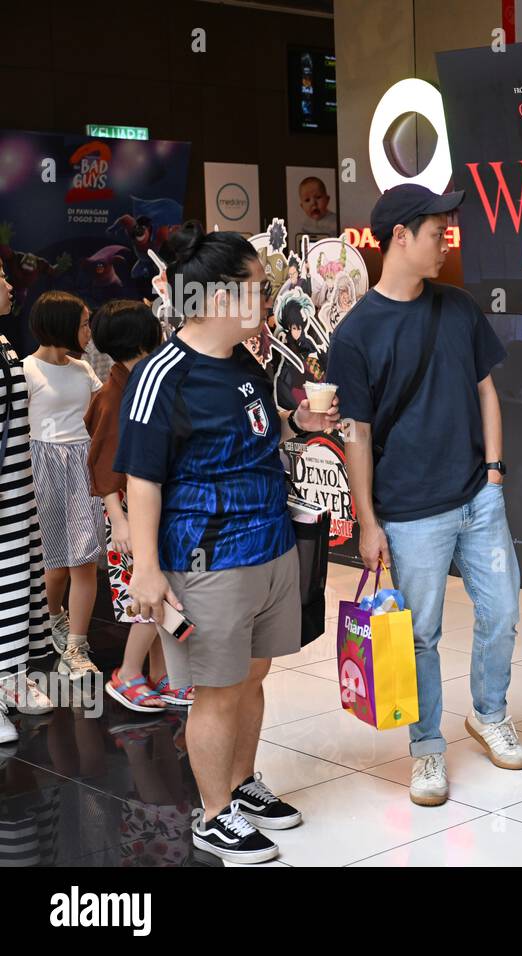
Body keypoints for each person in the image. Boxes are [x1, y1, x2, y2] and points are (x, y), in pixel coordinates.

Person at [117, 221, 339, 863]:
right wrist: (148, 570)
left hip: (269, 544)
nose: (266, 302)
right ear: (218, 299)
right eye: (255, 289)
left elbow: (256, 434)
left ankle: (241, 786)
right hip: (206, 558)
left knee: (254, 672)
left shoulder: (244, 359)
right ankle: (213, 815)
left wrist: (298, 421)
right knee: (215, 687)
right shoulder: (163, 375)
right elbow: (142, 481)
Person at [326, 184, 522, 810]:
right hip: (410, 512)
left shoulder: (459, 308)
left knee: (503, 611)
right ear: (399, 238)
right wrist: (367, 521)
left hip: (478, 497)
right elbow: (356, 433)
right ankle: (426, 750)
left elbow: (486, 392)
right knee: (420, 636)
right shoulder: (355, 334)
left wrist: (494, 473)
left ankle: (489, 713)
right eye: (437, 230)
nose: (446, 239)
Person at [85, 299, 192, 711]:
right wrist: (120, 519)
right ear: (147, 336)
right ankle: (129, 674)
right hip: (131, 517)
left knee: (160, 597)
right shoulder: (116, 396)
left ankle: (163, 675)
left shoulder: (133, 385)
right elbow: (105, 466)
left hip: (146, 511)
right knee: (150, 599)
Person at [23, 291, 103, 681]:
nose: (89, 331)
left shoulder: (83, 370)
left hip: (81, 464)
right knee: (54, 564)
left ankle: (76, 644)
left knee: (84, 559)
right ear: (62, 325)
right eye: (84, 323)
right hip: (42, 465)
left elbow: (100, 416)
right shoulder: (27, 371)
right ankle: (54, 616)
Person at [0, 261, 55, 740]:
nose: (9, 285)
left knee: (17, 588)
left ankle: (12, 678)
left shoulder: (2, 344)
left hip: (18, 492)